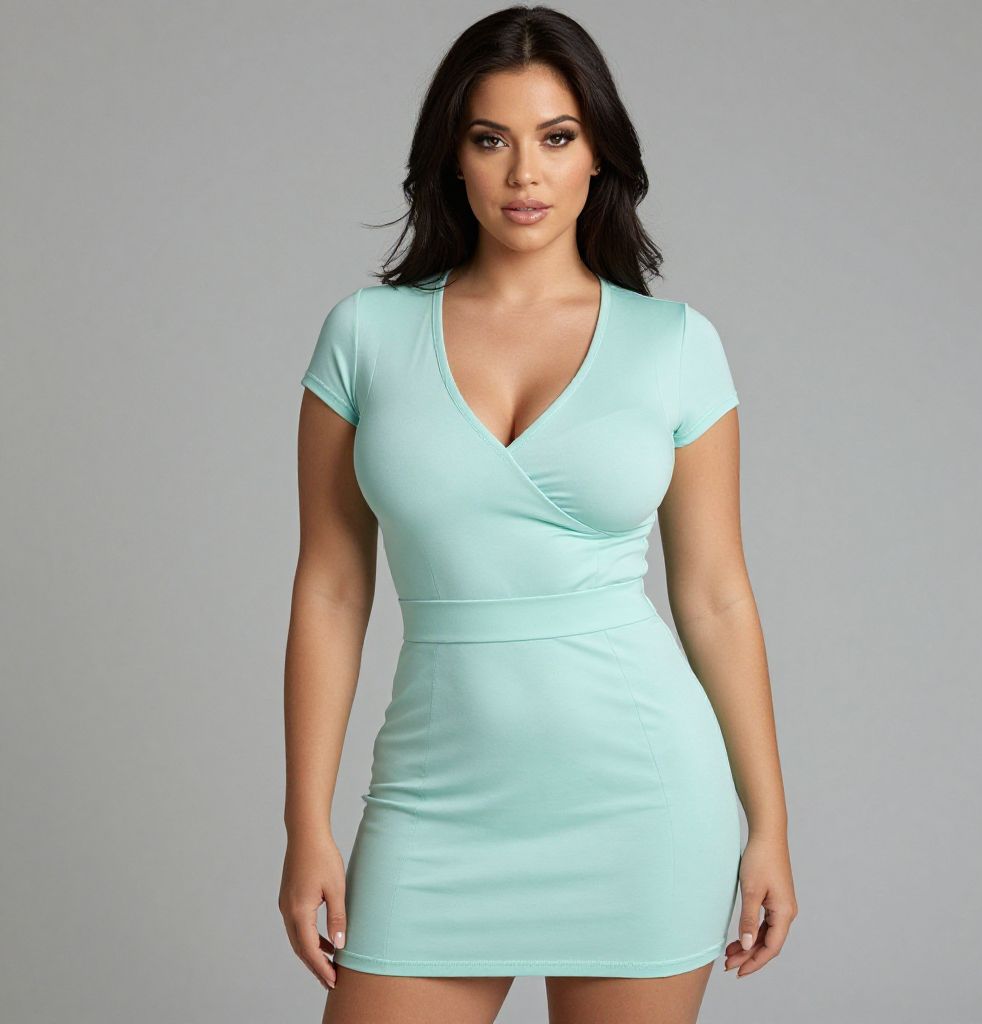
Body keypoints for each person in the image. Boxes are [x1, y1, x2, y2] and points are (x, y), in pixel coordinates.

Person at [280, 7, 797, 1023]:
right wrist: (306, 825)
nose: (525, 173)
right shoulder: (365, 336)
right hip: (436, 800)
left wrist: (768, 822)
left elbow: (715, 596)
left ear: (599, 154)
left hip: (643, 799)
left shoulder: (675, 345)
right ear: (452, 157)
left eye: (556, 138)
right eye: (492, 139)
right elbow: (331, 591)